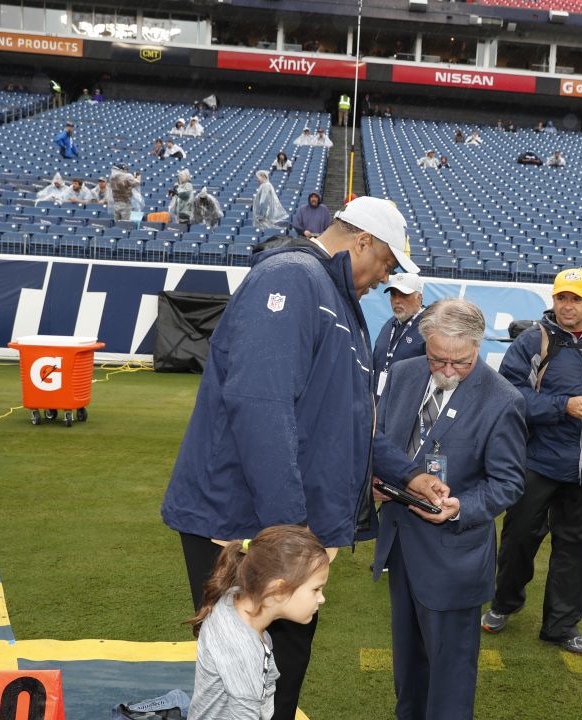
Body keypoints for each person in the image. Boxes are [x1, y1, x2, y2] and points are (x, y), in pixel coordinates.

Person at [162, 195, 419, 720]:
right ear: (362, 241)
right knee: (243, 674)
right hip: (244, 523)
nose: (384, 279)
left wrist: (408, 475)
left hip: (278, 524)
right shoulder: (294, 278)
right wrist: (292, 536)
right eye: (387, 264)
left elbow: (345, 423)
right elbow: (260, 405)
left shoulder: (330, 295)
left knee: (279, 670)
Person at [369, 299, 528, 720]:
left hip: (453, 560)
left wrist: (460, 508)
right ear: (425, 344)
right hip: (401, 546)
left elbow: (509, 483)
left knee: (450, 678)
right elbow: (378, 439)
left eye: (461, 361)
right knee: (409, 669)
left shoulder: (503, 399)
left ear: (477, 347)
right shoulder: (404, 374)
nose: (448, 369)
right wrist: (383, 482)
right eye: (438, 358)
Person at [484, 269, 582, 655]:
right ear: (553, 301)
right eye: (561, 298)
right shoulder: (531, 340)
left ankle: (561, 625)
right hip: (538, 462)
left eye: (575, 299)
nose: (567, 306)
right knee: (519, 539)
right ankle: (505, 603)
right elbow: (511, 396)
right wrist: (564, 406)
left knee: (575, 549)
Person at [187, 525, 331, 720]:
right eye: (316, 589)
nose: (322, 598)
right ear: (278, 590)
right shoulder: (242, 646)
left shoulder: (235, 599)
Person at [371, 273, 427, 399]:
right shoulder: (389, 324)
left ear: (419, 298)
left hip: (406, 407)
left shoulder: (429, 328)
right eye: (393, 294)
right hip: (378, 404)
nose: (397, 300)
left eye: (404, 295)